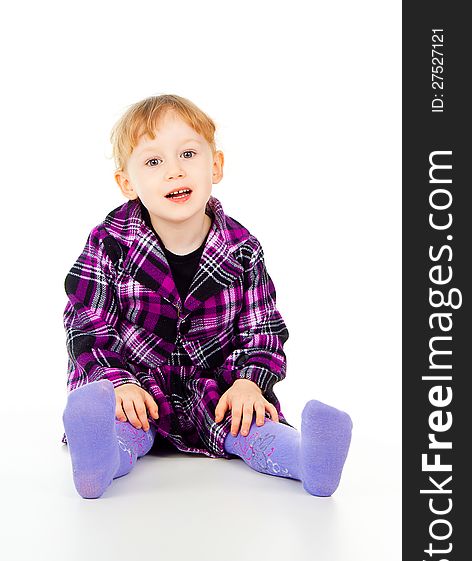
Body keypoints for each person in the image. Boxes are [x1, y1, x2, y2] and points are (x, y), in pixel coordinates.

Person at [61, 94, 353, 499]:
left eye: (187, 154)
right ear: (127, 184)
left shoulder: (242, 248)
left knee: (250, 425)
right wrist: (116, 382)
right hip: (138, 390)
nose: (174, 171)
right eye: (153, 162)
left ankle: (308, 461)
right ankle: (99, 460)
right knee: (123, 424)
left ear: (214, 165)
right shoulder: (110, 243)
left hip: (215, 391)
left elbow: (262, 330)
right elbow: (86, 323)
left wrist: (250, 383)